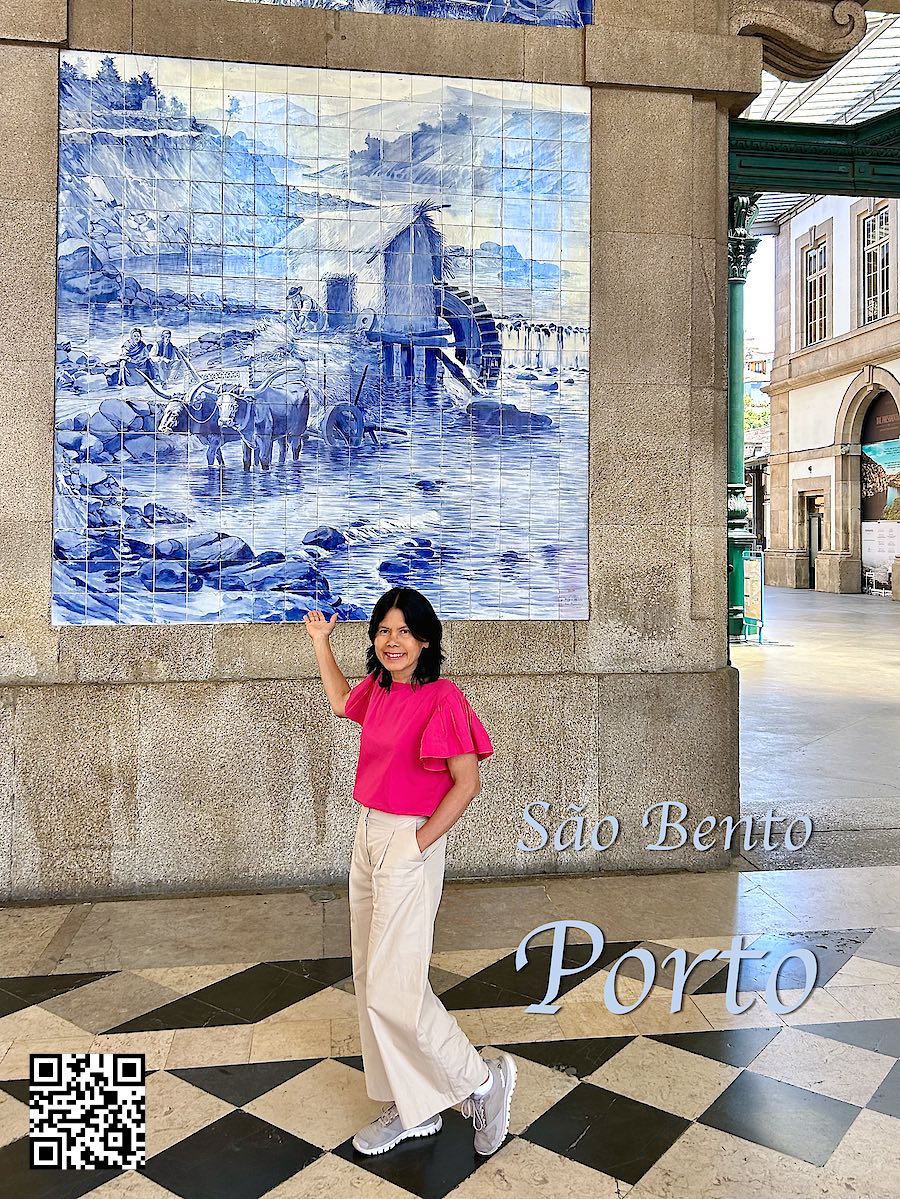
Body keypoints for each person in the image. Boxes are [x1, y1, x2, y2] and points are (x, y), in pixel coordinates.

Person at [303, 588, 517, 1158]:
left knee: (395, 986)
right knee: (373, 979)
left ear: (425, 639)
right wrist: (322, 644)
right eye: (382, 630)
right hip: (367, 832)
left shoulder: (443, 698)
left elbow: (466, 784)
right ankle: (411, 1103)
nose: (391, 641)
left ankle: (481, 1082)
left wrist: (415, 845)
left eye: (403, 631)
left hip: (409, 840)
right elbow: (342, 701)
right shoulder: (378, 689)